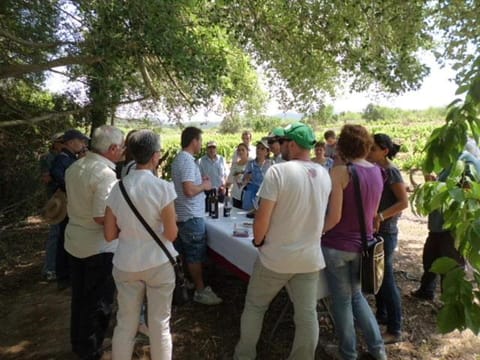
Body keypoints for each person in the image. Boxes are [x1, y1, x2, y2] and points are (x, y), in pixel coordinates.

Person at [234, 122, 331, 359]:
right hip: (309, 259)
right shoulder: (324, 174)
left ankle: (244, 355)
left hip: (276, 258)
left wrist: (258, 241)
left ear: (293, 144)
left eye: (283, 142)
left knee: (255, 307)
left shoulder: (278, 172)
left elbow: (262, 218)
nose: (279, 146)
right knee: (307, 315)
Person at [104, 130, 178, 360]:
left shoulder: (118, 188)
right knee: (159, 326)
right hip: (158, 263)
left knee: (125, 324)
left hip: (126, 263)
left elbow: (108, 234)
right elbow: (172, 234)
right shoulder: (163, 188)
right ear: (156, 156)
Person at [321, 124, 387, 360]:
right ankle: (378, 350)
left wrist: (317, 231)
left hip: (337, 246)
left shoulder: (340, 172)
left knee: (342, 301)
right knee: (357, 297)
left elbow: (334, 217)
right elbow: (372, 213)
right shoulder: (379, 172)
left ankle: (348, 353)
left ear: (343, 145)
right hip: (363, 246)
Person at [64, 125, 125, 360]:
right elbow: (102, 217)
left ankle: (78, 343)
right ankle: (91, 349)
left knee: (79, 297)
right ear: (111, 149)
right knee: (98, 302)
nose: (121, 152)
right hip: (97, 248)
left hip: (74, 241)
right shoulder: (105, 174)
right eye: (120, 148)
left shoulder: (75, 166)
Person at [171, 126, 222, 305]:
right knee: (194, 255)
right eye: (200, 140)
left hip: (185, 215)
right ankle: (200, 291)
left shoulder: (181, 159)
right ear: (194, 141)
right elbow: (189, 189)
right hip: (191, 217)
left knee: (187, 253)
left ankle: (189, 283)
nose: (201, 144)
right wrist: (204, 187)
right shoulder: (185, 160)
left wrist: (201, 183)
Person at [368, 133, 408, 344]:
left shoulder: (391, 172)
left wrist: (381, 216)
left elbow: (403, 202)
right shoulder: (376, 169)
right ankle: (381, 314)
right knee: (377, 276)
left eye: (373, 149)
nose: (368, 152)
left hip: (386, 232)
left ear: (384, 150)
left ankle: (395, 328)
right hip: (376, 231)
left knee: (387, 280)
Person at [50, 128, 90, 290]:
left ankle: (67, 274)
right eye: (81, 141)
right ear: (72, 142)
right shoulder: (63, 158)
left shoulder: (71, 158)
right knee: (63, 239)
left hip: (72, 204)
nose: (83, 145)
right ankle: (64, 275)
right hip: (66, 204)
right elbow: (58, 175)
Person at [39, 132, 64, 281]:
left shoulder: (65, 158)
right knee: (55, 233)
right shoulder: (47, 158)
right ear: (55, 143)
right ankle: (49, 268)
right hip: (55, 199)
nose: (63, 144)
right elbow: (46, 178)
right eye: (61, 141)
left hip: (63, 198)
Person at [241, 139, 272, 210]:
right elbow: (244, 181)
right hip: (250, 195)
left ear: (267, 152)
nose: (259, 150)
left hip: (264, 196)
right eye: (258, 148)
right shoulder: (250, 163)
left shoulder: (271, 164)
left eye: (262, 149)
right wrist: (246, 178)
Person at [226, 143, 249, 209]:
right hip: (235, 195)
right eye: (239, 150)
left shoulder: (251, 164)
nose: (240, 152)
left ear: (247, 151)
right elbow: (229, 180)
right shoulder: (235, 165)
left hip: (246, 196)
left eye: (243, 150)